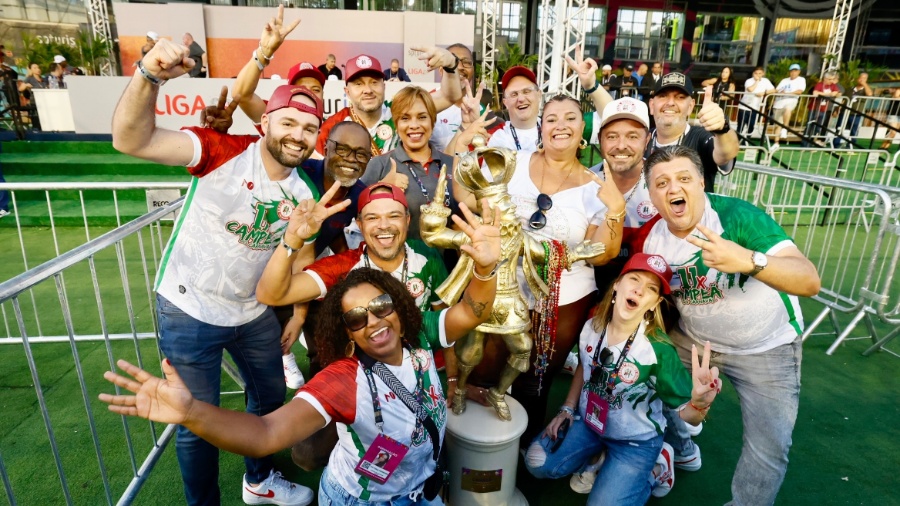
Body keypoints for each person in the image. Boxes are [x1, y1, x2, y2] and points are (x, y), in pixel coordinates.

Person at [100, 198, 502, 505]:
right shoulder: (346, 380)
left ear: (399, 306)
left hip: (422, 489)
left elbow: (472, 311)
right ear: (347, 332)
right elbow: (265, 433)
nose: (375, 322)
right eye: (357, 318)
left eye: (382, 307)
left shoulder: (419, 338)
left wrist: (485, 269)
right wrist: (192, 412)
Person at [110, 37, 339, 505]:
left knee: (271, 397)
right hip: (189, 305)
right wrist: (149, 75)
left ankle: (259, 480)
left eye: (309, 127)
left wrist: (296, 313)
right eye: (289, 122)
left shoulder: (303, 194)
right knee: (194, 419)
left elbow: (300, 259)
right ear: (266, 121)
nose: (298, 134)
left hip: (251, 311)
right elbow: (131, 139)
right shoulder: (221, 149)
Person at [631, 145, 821, 506]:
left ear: (702, 182)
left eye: (685, 178)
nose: (674, 189)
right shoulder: (652, 236)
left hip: (765, 346)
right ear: (651, 195)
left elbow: (809, 280)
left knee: (769, 446)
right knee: (637, 375)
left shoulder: (737, 217)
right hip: (695, 340)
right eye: (662, 183)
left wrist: (749, 260)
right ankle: (677, 446)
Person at [524, 253, 720, 504]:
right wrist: (566, 409)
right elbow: (585, 366)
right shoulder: (592, 326)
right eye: (634, 279)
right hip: (589, 425)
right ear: (617, 284)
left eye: (650, 289)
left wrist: (700, 404)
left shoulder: (657, 350)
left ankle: (658, 469)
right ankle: (599, 458)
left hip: (635, 442)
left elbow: (685, 413)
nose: (639, 291)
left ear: (654, 302)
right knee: (537, 463)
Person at [503, 94, 626, 447]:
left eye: (570, 118)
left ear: (583, 129)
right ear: (541, 127)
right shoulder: (514, 162)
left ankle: (520, 450)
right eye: (552, 118)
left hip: (563, 296)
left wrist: (615, 210)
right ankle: (481, 449)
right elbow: (477, 199)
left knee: (536, 378)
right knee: (492, 367)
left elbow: (602, 254)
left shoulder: (595, 186)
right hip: (507, 287)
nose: (560, 125)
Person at [361, 86, 458, 241]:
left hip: (451, 263)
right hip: (399, 263)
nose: (414, 125)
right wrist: (382, 188)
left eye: (422, 117)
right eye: (405, 118)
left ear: (432, 122)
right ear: (397, 125)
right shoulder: (380, 165)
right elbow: (357, 217)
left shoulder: (453, 164)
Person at [587, 97, 657, 291]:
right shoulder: (585, 182)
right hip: (589, 296)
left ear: (647, 140)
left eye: (633, 136)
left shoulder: (662, 184)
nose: (621, 145)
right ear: (600, 139)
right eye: (612, 136)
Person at [231, 6, 326, 128]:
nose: (309, 93)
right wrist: (263, 52)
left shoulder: (336, 129)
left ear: (323, 96)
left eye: (316, 89)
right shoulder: (276, 121)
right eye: (301, 88)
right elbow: (241, 95)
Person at [647, 72, 739, 192]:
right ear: (652, 105)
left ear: (690, 106)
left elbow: (727, 153)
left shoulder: (701, 137)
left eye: (680, 97)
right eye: (663, 96)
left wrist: (722, 129)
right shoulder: (642, 138)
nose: (670, 103)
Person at [769, 63, 807, 149]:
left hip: (791, 99)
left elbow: (799, 91)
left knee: (788, 109)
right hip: (779, 102)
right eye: (792, 71)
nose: (793, 73)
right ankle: (776, 142)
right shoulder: (784, 80)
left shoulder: (801, 80)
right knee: (778, 124)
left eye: (795, 71)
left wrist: (786, 93)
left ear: (799, 72)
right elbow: (777, 90)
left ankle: (785, 128)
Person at [804, 70, 843, 147]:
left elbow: (836, 93)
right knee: (810, 125)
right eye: (830, 79)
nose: (832, 81)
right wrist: (828, 94)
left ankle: (813, 143)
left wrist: (822, 94)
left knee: (818, 127)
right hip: (814, 108)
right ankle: (805, 144)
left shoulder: (833, 85)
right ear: (825, 78)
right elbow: (815, 93)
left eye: (832, 79)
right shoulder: (819, 84)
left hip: (824, 109)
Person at [736, 66, 774, 137]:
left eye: (760, 73)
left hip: (755, 107)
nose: (758, 75)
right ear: (753, 73)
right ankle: (737, 141)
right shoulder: (749, 81)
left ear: (763, 73)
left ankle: (746, 142)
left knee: (751, 126)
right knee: (740, 126)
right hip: (744, 107)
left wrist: (764, 93)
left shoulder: (765, 81)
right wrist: (756, 81)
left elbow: (773, 90)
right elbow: (750, 89)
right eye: (756, 73)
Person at [840, 71, 873, 148]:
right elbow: (843, 100)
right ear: (857, 78)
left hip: (856, 114)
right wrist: (837, 109)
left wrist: (864, 84)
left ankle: (850, 145)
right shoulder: (850, 89)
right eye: (861, 77)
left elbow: (870, 94)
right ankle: (836, 144)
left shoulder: (865, 90)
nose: (862, 79)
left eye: (864, 78)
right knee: (839, 128)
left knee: (853, 130)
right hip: (844, 112)